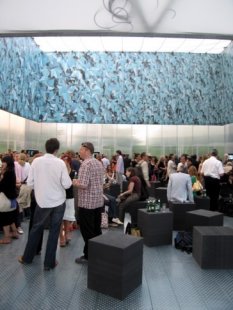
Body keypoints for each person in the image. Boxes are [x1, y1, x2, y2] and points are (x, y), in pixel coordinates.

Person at [18, 138, 72, 270]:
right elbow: (67, 184)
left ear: (46, 147)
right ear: (56, 150)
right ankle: (49, 263)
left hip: (42, 201)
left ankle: (27, 258)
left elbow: (30, 183)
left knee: (36, 229)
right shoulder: (60, 163)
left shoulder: (36, 161)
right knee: (54, 232)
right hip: (59, 201)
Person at [73, 142, 105, 263]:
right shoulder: (98, 163)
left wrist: (74, 181)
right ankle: (93, 253)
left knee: (87, 231)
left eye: (81, 150)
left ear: (87, 150)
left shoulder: (85, 164)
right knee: (96, 229)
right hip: (97, 201)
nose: (79, 152)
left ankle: (90, 257)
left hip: (87, 204)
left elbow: (83, 184)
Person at [0, 155, 19, 244]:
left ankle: (7, 237)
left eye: (3, 162)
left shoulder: (7, 173)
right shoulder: (12, 171)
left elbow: (2, 186)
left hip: (5, 199)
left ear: (7, 163)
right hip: (12, 198)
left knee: (4, 218)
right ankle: (14, 232)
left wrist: (1, 175)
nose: (2, 163)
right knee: (10, 216)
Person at [59, 154, 76, 247]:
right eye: (64, 159)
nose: (65, 161)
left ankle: (66, 234)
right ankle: (61, 237)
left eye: (67, 159)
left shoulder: (73, 172)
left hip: (69, 196)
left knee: (67, 217)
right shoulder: (59, 171)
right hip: (60, 196)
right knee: (60, 218)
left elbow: (72, 183)